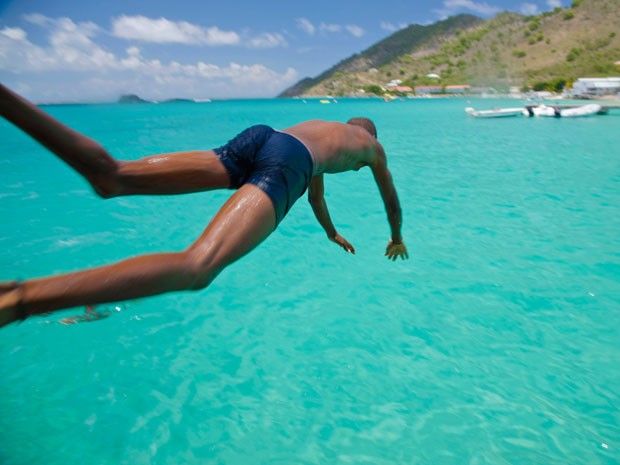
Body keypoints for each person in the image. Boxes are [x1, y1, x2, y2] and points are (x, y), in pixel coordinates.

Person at [0, 84, 408, 328]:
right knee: (198, 266)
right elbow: (391, 200)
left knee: (113, 177)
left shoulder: (327, 134)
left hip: (265, 137)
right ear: (367, 138)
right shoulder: (372, 147)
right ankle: (20, 299)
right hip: (288, 161)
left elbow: (316, 195)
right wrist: (395, 237)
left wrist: (330, 232)